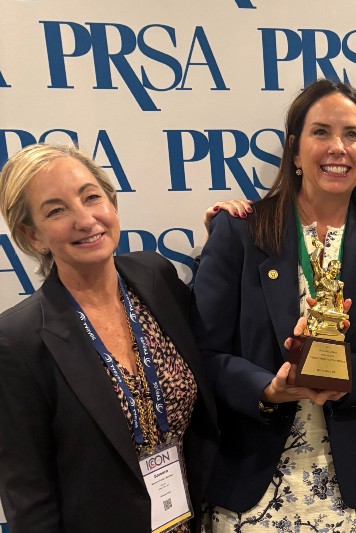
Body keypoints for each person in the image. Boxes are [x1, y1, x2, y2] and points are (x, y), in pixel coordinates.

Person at [191, 79, 356, 532]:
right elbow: (202, 357)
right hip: (253, 495)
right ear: (294, 152)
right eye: (321, 132)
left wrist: (343, 375)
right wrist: (267, 388)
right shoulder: (240, 232)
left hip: (352, 499)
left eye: (352, 135)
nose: (338, 147)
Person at [0, 144, 227, 532]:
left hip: (193, 519)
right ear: (32, 235)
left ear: (112, 202)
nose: (85, 219)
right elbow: (28, 495)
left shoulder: (156, 278)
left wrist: (227, 237)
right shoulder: (17, 341)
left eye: (91, 197)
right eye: (56, 210)